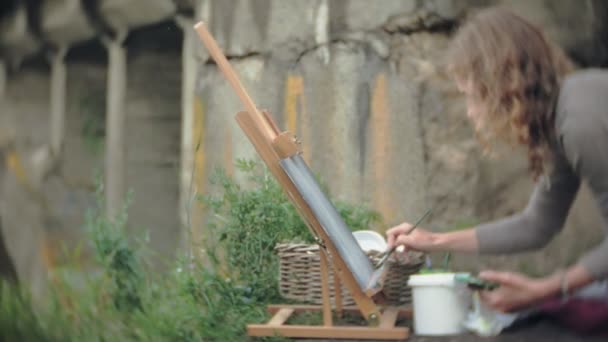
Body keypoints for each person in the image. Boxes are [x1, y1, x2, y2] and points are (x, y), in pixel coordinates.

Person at [386, 7, 608, 333]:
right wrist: (433, 240)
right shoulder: (564, 114)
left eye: (472, 96)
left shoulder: (579, 123)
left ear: (503, 86)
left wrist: (547, 288)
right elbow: (538, 225)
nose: (471, 113)